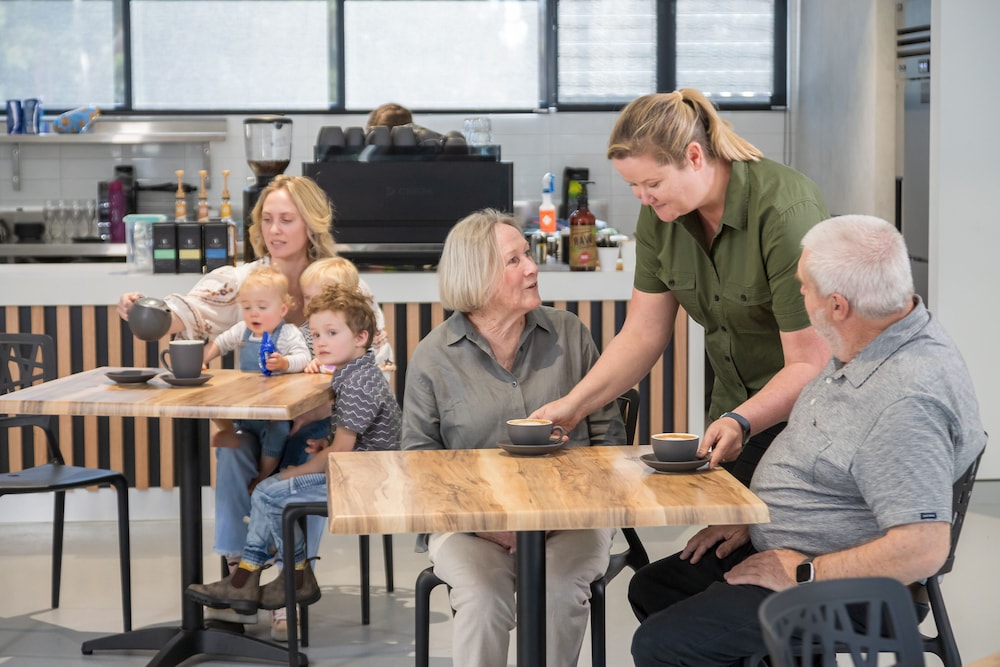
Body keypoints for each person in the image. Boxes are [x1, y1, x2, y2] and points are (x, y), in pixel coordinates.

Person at [627, 215, 988, 667]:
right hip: (803, 549)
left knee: (664, 643)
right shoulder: (874, 334)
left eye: (803, 287)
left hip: (850, 589)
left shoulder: (906, 399)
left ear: (838, 305)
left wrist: (803, 573)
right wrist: (759, 520)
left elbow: (923, 546)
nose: (799, 296)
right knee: (655, 586)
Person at [115, 174, 393, 638]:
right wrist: (141, 306)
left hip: (322, 420)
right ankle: (237, 577)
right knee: (232, 448)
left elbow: (376, 352)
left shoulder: (338, 280)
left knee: (304, 454)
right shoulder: (245, 280)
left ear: (311, 224)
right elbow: (188, 310)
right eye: (267, 219)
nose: (275, 229)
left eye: (287, 219)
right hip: (258, 419)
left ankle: (288, 585)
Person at [533, 89, 831, 486]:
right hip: (733, 420)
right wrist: (574, 405)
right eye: (632, 186)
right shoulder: (660, 217)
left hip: (804, 424)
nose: (643, 197)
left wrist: (741, 420)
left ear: (693, 156)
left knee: (750, 545)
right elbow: (642, 334)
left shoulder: (785, 213)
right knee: (709, 547)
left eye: (652, 182)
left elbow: (810, 364)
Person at [401, 208, 626, 667]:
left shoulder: (569, 333)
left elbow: (609, 442)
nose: (531, 267)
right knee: (483, 598)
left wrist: (562, 512)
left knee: (559, 592)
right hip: (470, 527)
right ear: (476, 276)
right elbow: (420, 465)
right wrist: (487, 524)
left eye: (528, 254)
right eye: (514, 260)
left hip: (572, 519)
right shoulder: (432, 357)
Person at [185, 283, 401, 616]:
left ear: (361, 337)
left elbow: (343, 452)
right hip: (357, 470)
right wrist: (323, 445)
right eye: (315, 335)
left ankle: (283, 576)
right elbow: (348, 441)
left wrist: (298, 471)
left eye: (331, 332)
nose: (321, 342)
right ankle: (251, 581)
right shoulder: (352, 372)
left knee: (268, 492)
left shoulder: (358, 382)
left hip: (366, 481)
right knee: (271, 491)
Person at [202, 267, 311, 489]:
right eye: (247, 307)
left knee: (278, 431)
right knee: (211, 401)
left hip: (273, 409)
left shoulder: (288, 333)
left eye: (262, 307)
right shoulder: (242, 329)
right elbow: (221, 343)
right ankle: (228, 432)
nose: (254, 313)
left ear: (282, 309)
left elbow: (304, 357)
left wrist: (285, 363)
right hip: (244, 404)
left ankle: (263, 473)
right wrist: (203, 359)